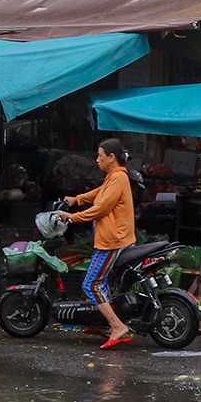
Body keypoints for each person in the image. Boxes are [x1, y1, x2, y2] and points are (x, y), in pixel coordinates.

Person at [64, 137, 137, 349]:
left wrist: (72, 217)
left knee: (91, 284)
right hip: (115, 238)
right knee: (103, 284)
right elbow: (99, 193)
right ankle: (109, 324)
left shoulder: (118, 178)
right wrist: (77, 199)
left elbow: (101, 208)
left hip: (113, 241)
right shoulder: (114, 177)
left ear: (111, 157)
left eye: (100, 156)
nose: (97, 160)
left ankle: (117, 326)